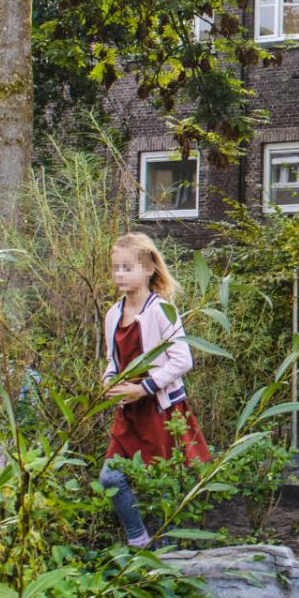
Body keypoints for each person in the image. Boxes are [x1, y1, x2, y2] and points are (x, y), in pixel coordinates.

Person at [100, 232, 209, 548]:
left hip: (160, 407)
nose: (120, 274)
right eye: (115, 268)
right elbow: (112, 360)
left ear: (148, 269)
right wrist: (110, 382)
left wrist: (144, 387)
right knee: (110, 477)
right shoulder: (113, 315)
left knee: (163, 483)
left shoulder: (162, 310)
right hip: (129, 411)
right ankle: (139, 540)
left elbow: (182, 359)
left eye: (127, 267)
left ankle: (167, 555)